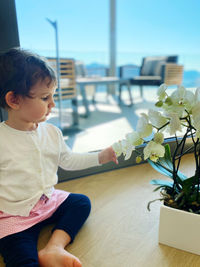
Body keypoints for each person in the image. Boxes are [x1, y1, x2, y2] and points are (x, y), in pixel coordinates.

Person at [0, 48, 118, 267]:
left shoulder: (51, 132)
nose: (52, 104)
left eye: (53, 95)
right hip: (14, 216)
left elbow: (68, 160)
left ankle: (54, 247)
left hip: (48, 201)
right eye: (45, 97)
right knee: (22, 260)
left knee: (81, 203)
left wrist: (99, 157)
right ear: (14, 99)